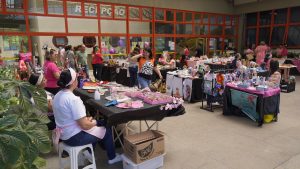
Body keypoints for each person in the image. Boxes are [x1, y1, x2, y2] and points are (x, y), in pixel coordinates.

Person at [52, 68, 122, 164]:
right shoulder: (73, 99)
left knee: (94, 126)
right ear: (73, 82)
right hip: (73, 137)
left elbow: (71, 118)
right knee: (106, 129)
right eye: (76, 78)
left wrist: (88, 120)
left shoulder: (57, 95)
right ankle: (112, 158)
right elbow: (84, 125)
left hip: (64, 134)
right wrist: (95, 122)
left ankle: (89, 152)